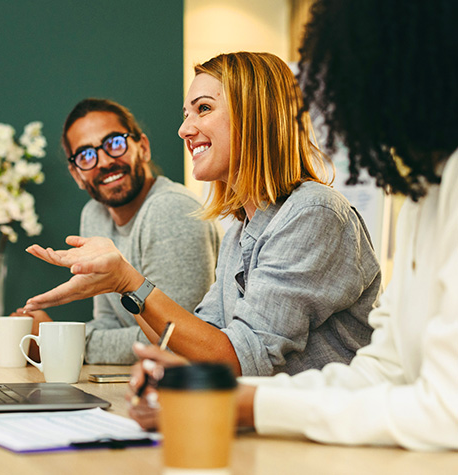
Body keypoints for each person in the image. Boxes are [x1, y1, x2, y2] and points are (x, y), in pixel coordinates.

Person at [129, 0, 458, 451]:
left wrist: (245, 405)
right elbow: (382, 371)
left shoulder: (317, 212)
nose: (337, 105)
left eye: (202, 109)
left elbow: (445, 413)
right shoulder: (428, 193)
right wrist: (217, 393)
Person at [23, 52, 381, 377]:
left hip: (324, 437)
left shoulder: (313, 212)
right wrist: (122, 287)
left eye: (204, 109)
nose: (184, 129)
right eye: (186, 114)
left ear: (253, 114)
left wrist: (127, 281)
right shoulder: (241, 231)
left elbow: (239, 359)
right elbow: (196, 342)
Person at [17, 98, 221, 364]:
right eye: (86, 155)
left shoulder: (171, 209)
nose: (103, 162)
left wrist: (56, 342)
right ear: (77, 174)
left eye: (114, 143)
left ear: (143, 148)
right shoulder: (94, 215)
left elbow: (176, 343)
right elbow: (109, 322)